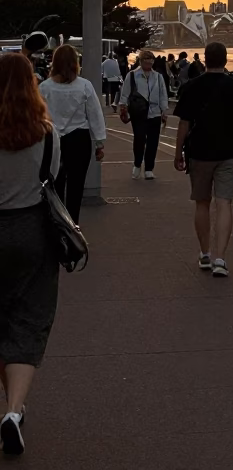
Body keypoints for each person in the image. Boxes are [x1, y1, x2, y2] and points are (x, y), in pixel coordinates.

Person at [0, 53, 62, 457]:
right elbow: (51, 184)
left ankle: (8, 408)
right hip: (32, 232)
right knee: (29, 317)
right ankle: (14, 411)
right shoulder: (47, 134)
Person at [173, 41, 233, 277]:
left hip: (199, 152)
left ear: (204, 60)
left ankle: (204, 253)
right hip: (228, 151)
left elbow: (184, 124)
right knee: (224, 203)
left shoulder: (191, 87)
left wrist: (178, 153)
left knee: (202, 203)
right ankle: (221, 258)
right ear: (226, 59)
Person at [39, 44, 106, 224]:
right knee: (76, 185)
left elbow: (39, 116)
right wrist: (100, 143)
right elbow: (95, 115)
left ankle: (58, 222)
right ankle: (73, 223)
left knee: (55, 183)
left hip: (53, 140)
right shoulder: (84, 86)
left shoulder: (44, 87)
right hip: (79, 138)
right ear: (75, 62)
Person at [118, 50, 169, 179]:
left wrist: (164, 111)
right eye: (146, 63)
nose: (149, 66)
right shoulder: (132, 75)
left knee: (153, 141)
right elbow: (125, 93)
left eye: (151, 63)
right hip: (139, 112)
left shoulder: (158, 76)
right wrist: (123, 106)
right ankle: (137, 164)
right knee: (139, 139)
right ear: (141, 62)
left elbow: (163, 94)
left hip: (155, 112)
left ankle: (149, 168)